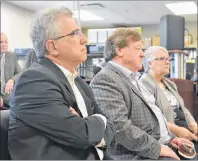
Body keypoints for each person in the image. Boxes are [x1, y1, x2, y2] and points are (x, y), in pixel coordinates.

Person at [8, 7, 115, 160]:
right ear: (52, 47)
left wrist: (93, 124)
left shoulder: (78, 82)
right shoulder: (34, 81)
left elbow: (111, 128)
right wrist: (99, 121)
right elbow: (82, 135)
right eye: (75, 33)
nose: (84, 39)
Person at [90, 28, 194, 160]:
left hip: (156, 144)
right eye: (138, 48)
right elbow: (120, 128)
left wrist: (171, 138)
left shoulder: (132, 78)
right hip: (135, 154)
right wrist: (157, 147)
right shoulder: (106, 79)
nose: (142, 54)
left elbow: (154, 116)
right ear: (119, 50)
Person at [140, 46, 198, 151]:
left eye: (168, 59)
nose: (168, 62)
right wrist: (178, 131)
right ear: (149, 63)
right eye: (162, 59)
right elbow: (152, 118)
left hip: (184, 127)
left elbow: (183, 108)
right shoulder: (143, 84)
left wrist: (192, 123)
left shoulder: (170, 83)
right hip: (168, 133)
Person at [0, 32, 22, 108]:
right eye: (1, 42)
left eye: (6, 42)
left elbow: (20, 73)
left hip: (9, 96)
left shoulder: (12, 56)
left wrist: (12, 80)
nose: (4, 44)